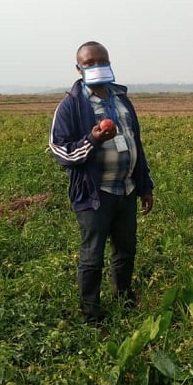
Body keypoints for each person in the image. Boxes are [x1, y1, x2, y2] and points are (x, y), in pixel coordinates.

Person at [49, 41, 154, 325]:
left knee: (126, 249)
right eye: (89, 63)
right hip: (95, 193)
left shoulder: (121, 99)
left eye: (101, 61)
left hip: (126, 189)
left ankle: (123, 297)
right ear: (79, 68)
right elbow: (61, 151)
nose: (96, 67)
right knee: (92, 255)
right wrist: (93, 139)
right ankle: (91, 314)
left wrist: (145, 185)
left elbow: (135, 143)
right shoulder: (71, 105)